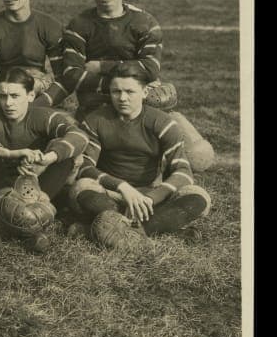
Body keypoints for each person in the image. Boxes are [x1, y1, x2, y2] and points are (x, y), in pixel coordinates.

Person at [69, 63, 211, 249]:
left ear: (145, 92)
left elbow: (183, 171)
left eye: (130, 91)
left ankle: (99, 229)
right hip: (110, 194)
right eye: (116, 91)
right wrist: (122, 187)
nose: (122, 98)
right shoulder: (95, 120)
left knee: (199, 198)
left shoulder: (162, 123)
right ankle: (156, 228)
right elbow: (86, 167)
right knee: (82, 189)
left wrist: (151, 198)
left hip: (149, 196)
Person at [0, 67, 91, 248]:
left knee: (67, 153)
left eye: (15, 96)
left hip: (35, 187)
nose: (8, 103)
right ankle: (28, 228)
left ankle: (15, 223)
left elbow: (80, 137)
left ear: (30, 96)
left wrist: (48, 159)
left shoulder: (43, 116)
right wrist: (8, 153)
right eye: (2, 96)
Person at [60, 0, 173, 119]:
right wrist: (124, 85)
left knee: (193, 142)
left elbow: (150, 69)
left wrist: (101, 67)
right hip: (95, 107)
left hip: (139, 105)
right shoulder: (79, 25)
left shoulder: (145, 22)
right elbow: (72, 75)